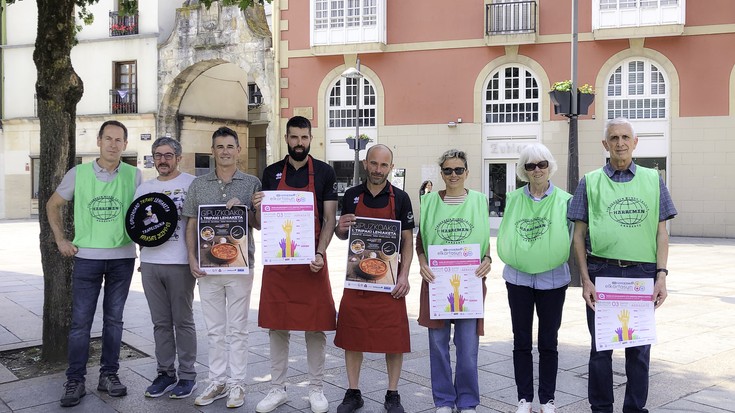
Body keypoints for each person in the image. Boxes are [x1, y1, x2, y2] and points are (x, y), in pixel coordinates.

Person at [568, 118, 677, 413]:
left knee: (639, 350)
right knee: (601, 349)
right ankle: (601, 408)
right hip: (603, 273)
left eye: (625, 137)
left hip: (642, 274)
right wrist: (585, 279)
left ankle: (634, 409)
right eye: (614, 137)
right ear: (605, 144)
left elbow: (661, 233)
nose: (620, 143)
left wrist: (661, 276)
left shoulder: (654, 180)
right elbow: (578, 235)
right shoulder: (589, 182)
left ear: (635, 142)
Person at [47, 120, 142, 407]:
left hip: (122, 259)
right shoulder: (78, 174)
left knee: (114, 321)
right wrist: (61, 240)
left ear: (125, 145)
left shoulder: (134, 175)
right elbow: (52, 204)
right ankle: (75, 380)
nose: (113, 144)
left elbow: (144, 215)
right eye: (108, 139)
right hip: (86, 259)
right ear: (98, 141)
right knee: (80, 323)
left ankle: (108, 375)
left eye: (119, 140)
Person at [253, 116, 338, 413]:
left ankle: (316, 388)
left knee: (315, 327)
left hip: (312, 260)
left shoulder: (325, 172)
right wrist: (258, 207)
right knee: (277, 326)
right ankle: (277, 389)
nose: (299, 143)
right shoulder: (272, 172)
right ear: (286, 138)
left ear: (311, 138)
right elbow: (264, 225)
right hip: (279, 262)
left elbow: (329, 219)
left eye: (304, 137)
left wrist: (320, 252)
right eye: (294, 137)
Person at [182, 126, 262, 408]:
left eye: (230, 146)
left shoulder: (251, 183)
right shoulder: (198, 185)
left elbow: (260, 224)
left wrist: (245, 208)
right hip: (207, 268)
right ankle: (217, 381)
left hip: (241, 266)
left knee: (238, 328)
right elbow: (190, 222)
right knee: (215, 329)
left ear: (238, 150)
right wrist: (192, 258)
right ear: (212, 150)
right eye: (220, 147)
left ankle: (238, 383)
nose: (225, 151)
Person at [333, 144, 415, 413]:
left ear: (391, 167)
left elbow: (407, 240)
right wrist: (340, 228)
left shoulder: (401, 198)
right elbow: (343, 235)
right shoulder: (352, 195)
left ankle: (392, 393)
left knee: (394, 338)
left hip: (389, 279)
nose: (378, 170)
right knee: (353, 334)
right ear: (366, 164)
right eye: (374, 164)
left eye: (384, 165)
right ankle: (353, 392)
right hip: (357, 277)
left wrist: (404, 275)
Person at [496, 144, 572, 413]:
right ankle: (524, 398)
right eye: (530, 166)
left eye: (541, 164)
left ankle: (547, 399)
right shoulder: (514, 198)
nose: (537, 170)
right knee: (521, 340)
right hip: (518, 279)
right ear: (523, 170)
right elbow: (507, 231)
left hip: (553, 280)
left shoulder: (566, 199)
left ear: (550, 166)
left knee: (549, 340)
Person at [416, 149, 492, 413]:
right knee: (438, 347)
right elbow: (420, 243)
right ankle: (445, 401)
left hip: (469, 283)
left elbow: (485, 244)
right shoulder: (429, 202)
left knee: (468, 349)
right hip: (437, 282)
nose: (453, 175)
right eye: (448, 170)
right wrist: (422, 263)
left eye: (458, 170)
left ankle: (468, 401)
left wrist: (488, 260)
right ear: (441, 174)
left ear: (467, 173)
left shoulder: (480, 201)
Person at [136, 137, 198, 399]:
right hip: (151, 263)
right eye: (158, 155)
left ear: (178, 157)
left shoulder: (191, 183)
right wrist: (141, 257)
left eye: (168, 155)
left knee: (182, 321)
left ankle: (187, 376)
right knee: (160, 323)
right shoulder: (144, 188)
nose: (163, 160)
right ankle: (164, 373)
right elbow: (137, 225)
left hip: (180, 262)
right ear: (153, 158)